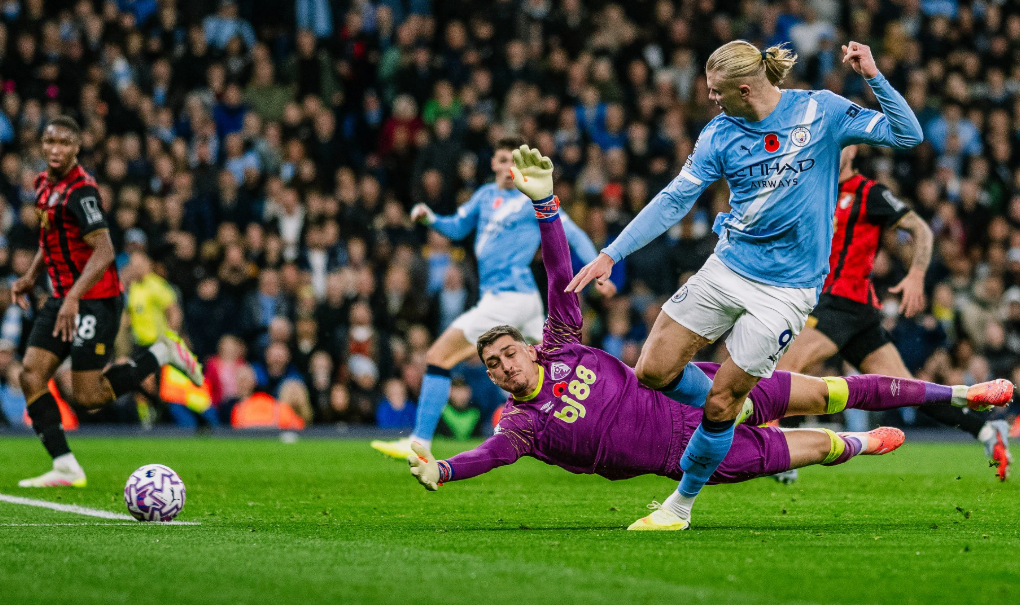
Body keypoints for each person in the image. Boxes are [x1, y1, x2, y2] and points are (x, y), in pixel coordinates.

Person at [405, 146, 1013, 530]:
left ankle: (960, 394)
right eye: (494, 365)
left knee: (833, 387)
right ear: (491, 378)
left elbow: (562, 277)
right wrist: (447, 471)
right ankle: (855, 448)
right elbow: (492, 456)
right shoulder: (520, 424)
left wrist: (546, 205)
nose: (506, 366)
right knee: (801, 449)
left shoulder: (559, 345)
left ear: (527, 345)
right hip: (682, 454)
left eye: (508, 351)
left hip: (702, 389)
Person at [564, 40, 924, 524]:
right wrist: (612, 252)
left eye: (716, 92)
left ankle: (681, 504)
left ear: (743, 88)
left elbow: (908, 135)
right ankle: (743, 405)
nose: (711, 99)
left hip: (787, 292)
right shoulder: (718, 134)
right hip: (728, 268)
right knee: (652, 370)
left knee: (720, 401)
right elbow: (674, 200)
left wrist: (873, 76)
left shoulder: (821, 110)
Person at [776, 145, 1013, 482]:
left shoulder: (870, 192)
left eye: (841, 143)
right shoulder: (818, 190)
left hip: (845, 302)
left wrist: (915, 274)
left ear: (853, 149)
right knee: (907, 389)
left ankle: (778, 451)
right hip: (839, 308)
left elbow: (921, 229)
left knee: (784, 369)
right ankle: (987, 431)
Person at [370, 135, 612, 459]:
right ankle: (603, 429)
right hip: (522, 303)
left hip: (508, 298)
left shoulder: (531, 198)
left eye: (514, 161)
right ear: (494, 164)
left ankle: (419, 444)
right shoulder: (484, 197)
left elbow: (573, 233)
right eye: (502, 160)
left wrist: (598, 267)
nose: (507, 167)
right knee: (563, 368)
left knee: (438, 356)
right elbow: (457, 227)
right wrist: (431, 219)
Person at [14, 117, 204, 488]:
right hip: (63, 297)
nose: (55, 149)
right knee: (31, 374)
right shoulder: (42, 185)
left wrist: (73, 297)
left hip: (94, 300)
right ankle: (65, 464)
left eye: (64, 143)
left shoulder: (81, 192)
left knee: (89, 396)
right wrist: (32, 276)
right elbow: (49, 237)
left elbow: (104, 251)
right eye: (49, 141)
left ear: (77, 148)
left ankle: (162, 353)